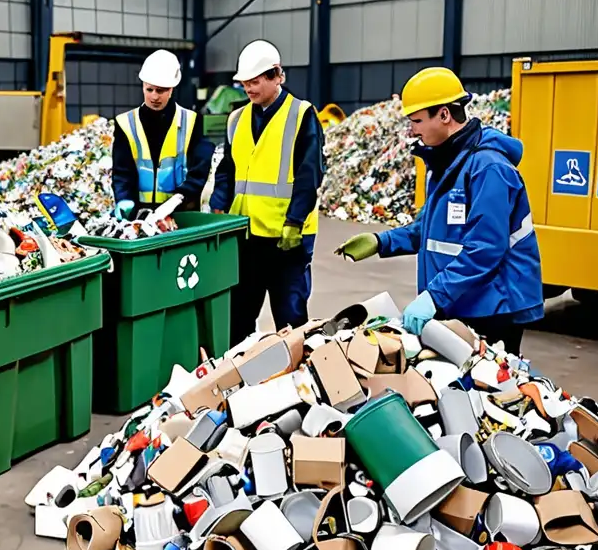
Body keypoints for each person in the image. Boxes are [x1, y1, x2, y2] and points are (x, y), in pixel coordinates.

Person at [334, 67, 543, 353]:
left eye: (417, 120)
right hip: (459, 300)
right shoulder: (446, 163)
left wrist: (434, 296)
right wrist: (381, 242)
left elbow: (485, 248)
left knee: (484, 392)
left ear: (444, 115)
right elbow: (429, 229)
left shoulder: (489, 169)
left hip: (492, 308)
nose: (412, 130)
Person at [210, 40, 325, 345]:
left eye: (256, 81)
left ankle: (297, 384)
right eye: (245, 82)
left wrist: (295, 220)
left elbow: (308, 173)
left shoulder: (301, 115)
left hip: (287, 239)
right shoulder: (236, 119)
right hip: (246, 237)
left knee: (290, 320)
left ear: (277, 76)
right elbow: (227, 169)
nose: (249, 88)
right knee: (239, 317)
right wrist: (218, 207)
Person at [112, 49, 213, 219]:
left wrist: (182, 196)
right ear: (143, 86)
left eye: (161, 90)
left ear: (171, 89)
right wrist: (123, 199)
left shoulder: (191, 121)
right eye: (149, 89)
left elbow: (200, 168)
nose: (154, 96)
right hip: (139, 214)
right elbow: (122, 171)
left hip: (180, 212)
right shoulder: (126, 123)